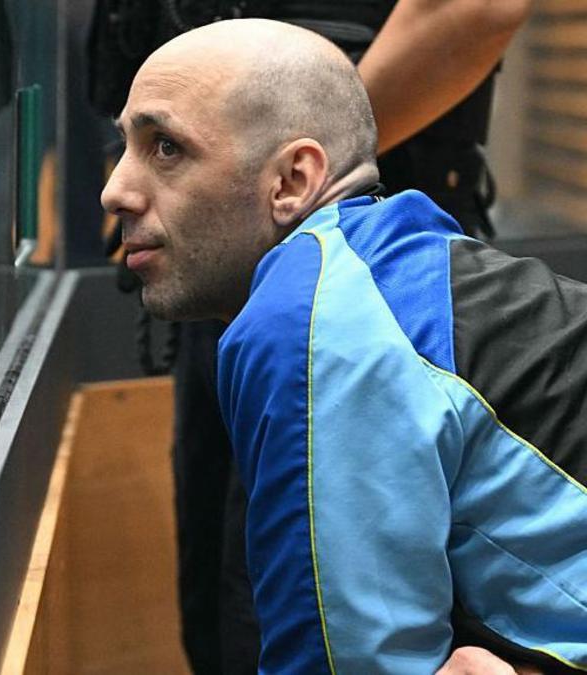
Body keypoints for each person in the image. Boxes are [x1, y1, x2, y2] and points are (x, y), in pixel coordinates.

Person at [102, 18, 587, 674]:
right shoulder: (398, 257)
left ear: (292, 180)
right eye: (124, 147)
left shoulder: (318, 321)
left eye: (166, 148)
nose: (115, 191)